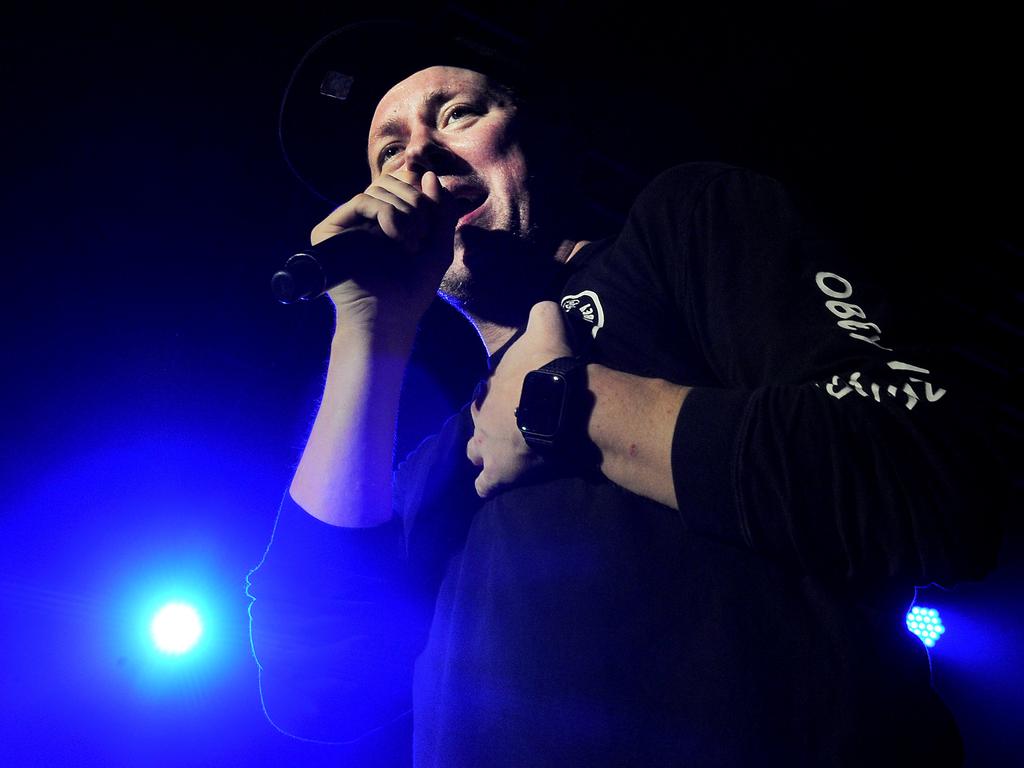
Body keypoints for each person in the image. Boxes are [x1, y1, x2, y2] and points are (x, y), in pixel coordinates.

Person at [247, 16, 1006, 767]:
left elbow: (930, 468)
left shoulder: (685, 226)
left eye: (456, 113)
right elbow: (316, 691)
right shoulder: (434, 465)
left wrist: (569, 406)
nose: (419, 155)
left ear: (535, 137)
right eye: (389, 151)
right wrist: (369, 331)